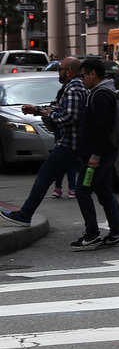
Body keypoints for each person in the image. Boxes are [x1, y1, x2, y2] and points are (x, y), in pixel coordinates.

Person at [1, 58, 87, 227]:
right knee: (97, 187)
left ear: (69, 71)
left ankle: (25, 215)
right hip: (75, 145)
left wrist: (48, 115)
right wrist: (38, 110)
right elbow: (62, 109)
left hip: (69, 144)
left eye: (61, 69)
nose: (59, 73)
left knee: (44, 177)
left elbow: (69, 117)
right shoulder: (77, 87)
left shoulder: (73, 88)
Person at [70, 59, 119, 249]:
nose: (82, 79)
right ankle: (116, 232)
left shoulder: (100, 95)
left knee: (82, 190)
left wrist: (95, 156)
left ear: (92, 74)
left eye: (84, 75)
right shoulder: (101, 92)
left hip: (98, 156)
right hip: (103, 153)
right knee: (103, 191)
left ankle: (92, 233)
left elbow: (102, 128)